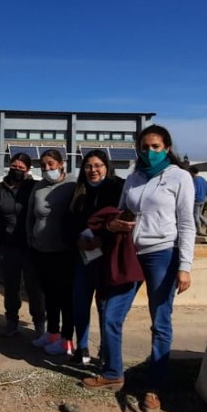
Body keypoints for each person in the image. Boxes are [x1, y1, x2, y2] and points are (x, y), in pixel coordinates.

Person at [83, 125, 196, 412]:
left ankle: (154, 386)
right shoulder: (132, 178)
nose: (150, 152)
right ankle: (112, 372)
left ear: (167, 147)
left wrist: (184, 266)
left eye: (156, 147)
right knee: (111, 314)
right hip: (130, 253)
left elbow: (186, 223)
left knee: (160, 321)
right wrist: (113, 225)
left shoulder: (180, 177)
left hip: (163, 254)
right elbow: (121, 213)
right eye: (144, 147)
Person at [67, 149, 128, 366]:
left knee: (104, 305)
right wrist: (78, 239)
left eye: (97, 166)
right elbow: (70, 221)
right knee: (80, 302)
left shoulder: (117, 188)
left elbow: (124, 220)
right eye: (88, 166)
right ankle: (81, 347)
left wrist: (103, 238)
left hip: (107, 256)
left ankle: (105, 351)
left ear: (106, 166)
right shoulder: (79, 191)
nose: (93, 170)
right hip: (83, 256)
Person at [27, 149, 78, 357]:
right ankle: (52, 332)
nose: (47, 169)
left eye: (51, 165)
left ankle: (67, 339)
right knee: (49, 295)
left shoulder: (72, 185)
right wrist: (30, 238)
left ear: (61, 164)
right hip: (41, 250)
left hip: (63, 251)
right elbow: (30, 216)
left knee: (65, 296)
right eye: (43, 166)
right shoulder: (38, 187)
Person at [0, 153, 36, 337]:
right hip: (7, 246)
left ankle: (39, 321)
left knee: (34, 287)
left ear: (27, 170)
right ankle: (11, 320)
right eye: (14, 166)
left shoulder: (33, 188)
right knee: (11, 287)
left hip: (31, 246)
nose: (17, 170)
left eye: (21, 168)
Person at [191, 166, 207, 235]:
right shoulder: (203, 179)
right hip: (203, 199)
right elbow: (206, 189)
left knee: (196, 216)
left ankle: (199, 230)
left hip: (196, 199)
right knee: (199, 214)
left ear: (192, 172)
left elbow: (193, 190)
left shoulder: (194, 180)